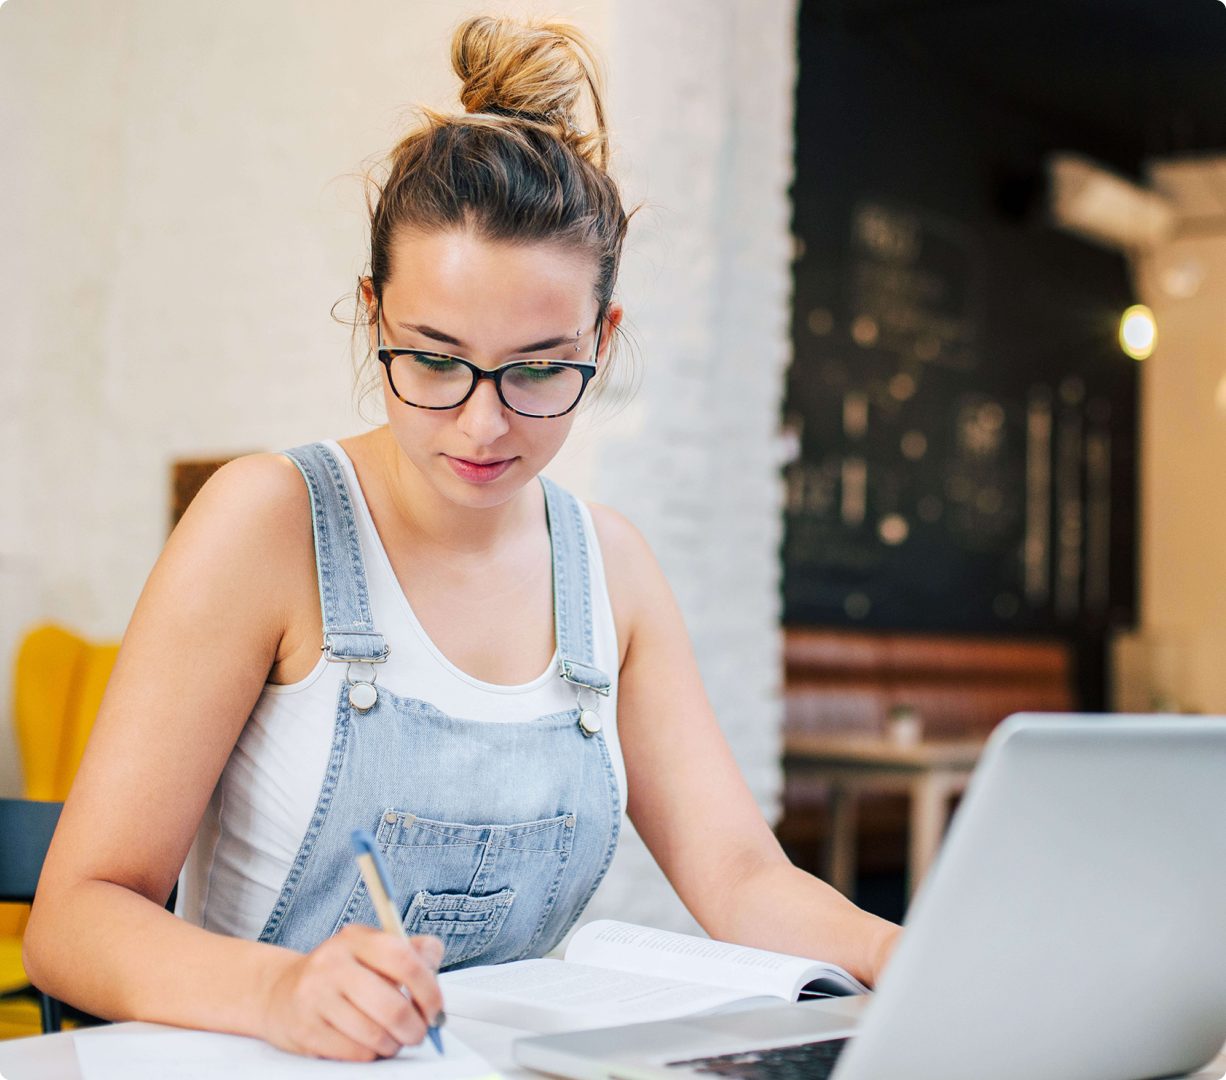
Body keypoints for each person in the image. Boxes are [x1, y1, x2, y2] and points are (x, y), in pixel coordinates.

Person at [24, 15, 900, 1063]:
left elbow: (741, 879)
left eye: (538, 368)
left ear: (600, 339)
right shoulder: (266, 523)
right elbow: (74, 918)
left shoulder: (609, 572)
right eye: (434, 359)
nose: (484, 425)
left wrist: (907, 951)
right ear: (371, 312)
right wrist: (280, 993)